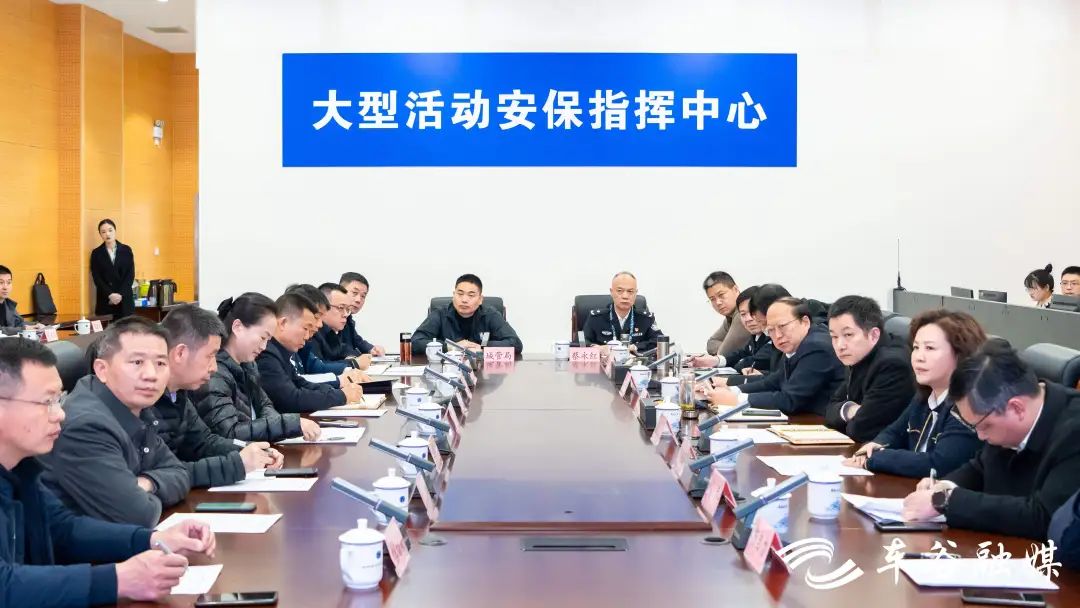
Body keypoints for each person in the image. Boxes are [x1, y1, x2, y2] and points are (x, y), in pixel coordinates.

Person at [0, 338, 218, 606]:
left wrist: (153, 539)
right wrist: (118, 580)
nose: (60, 414)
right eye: (46, 402)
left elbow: (63, 530)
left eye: (59, 399)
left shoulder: (22, 468)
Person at [902, 339, 1080, 540]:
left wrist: (947, 501)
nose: (980, 436)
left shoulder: (1074, 432)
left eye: (984, 426)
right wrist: (945, 486)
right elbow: (981, 467)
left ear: (1017, 408)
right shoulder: (1001, 417)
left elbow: (1044, 517)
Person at [39, 317, 190, 528]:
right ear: (102, 369)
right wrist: (146, 490)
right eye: (137, 362)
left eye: (161, 363)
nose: (151, 375)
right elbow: (138, 515)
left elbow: (180, 473)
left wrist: (146, 483)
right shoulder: (85, 426)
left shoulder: (136, 408)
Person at [844, 309, 986, 477]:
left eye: (930, 348)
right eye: (916, 347)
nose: (919, 357)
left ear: (960, 355)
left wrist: (875, 458)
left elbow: (939, 464)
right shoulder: (924, 397)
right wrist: (875, 445)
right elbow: (894, 433)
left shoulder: (968, 404)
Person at [157, 304, 283, 489]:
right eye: (210, 356)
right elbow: (161, 473)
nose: (214, 367)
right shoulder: (145, 400)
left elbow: (205, 442)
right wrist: (237, 464)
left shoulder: (179, 394)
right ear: (180, 353)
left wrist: (253, 450)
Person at [194, 294, 320, 443]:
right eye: (262, 338)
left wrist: (281, 426)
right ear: (238, 327)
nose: (264, 347)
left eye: (268, 340)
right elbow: (229, 433)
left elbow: (265, 405)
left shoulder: (249, 365)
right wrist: (288, 424)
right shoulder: (215, 374)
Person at [704, 297, 844, 415]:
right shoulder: (796, 343)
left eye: (783, 326)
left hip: (828, 427)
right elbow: (774, 381)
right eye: (770, 330)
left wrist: (737, 400)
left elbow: (789, 400)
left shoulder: (816, 347)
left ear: (805, 322)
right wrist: (732, 390)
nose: (777, 335)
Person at [823, 296, 916, 442]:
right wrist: (850, 410)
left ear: (874, 335)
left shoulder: (892, 365)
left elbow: (860, 430)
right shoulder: (858, 356)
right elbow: (829, 410)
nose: (840, 345)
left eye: (848, 335)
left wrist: (849, 415)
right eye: (834, 337)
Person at [256, 292, 362, 413]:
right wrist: (341, 396)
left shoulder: (280, 351)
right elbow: (291, 399)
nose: (307, 336)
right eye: (305, 328)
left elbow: (301, 383)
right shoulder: (266, 354)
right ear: (283, 323)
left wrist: (337, 392)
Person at [411, 273, 523, 355]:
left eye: (471, 295)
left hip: (483, 373)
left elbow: (516, 344)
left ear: (480, 299)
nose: (464, 300)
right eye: (460, 294)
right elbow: (414, 343)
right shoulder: (440, 314)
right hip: (447, 371)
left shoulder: (490, 314)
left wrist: (482, 347)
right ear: (453, 295)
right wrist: (451, 347)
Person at [690, 287, 776, 375]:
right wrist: (715, 360)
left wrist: (740, 362)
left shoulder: (774, 336)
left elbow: (750, 363)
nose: (748, 319)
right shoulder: (756, 335)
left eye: (753, 312)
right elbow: (741, 354)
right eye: (743, 314)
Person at [581, 272, 664, 353]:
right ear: (611, 292)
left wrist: (635, 347)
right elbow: (581, 342)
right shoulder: (596, 318)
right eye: (620, 291)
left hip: (635, 361)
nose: (625, 296)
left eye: (630, 291)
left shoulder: (645, 318)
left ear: (636, 293)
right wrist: (597, 348)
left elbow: (659, 341)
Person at [299, 283, 371, 375]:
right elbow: (317, 368)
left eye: (348, 309)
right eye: (341, 308)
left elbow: (344, 350)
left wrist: (353, 358)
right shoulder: (312, 333)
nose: (345, 314)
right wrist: (353, 363)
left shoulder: (333, 330)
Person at [89, 219, 136, 319]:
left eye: (110, 230)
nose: (107, 234)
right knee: (106, 328)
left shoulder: (126, 250)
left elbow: (130, 275)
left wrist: (120, 294)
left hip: (124, 300)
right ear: (100, 234)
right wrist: (110, 294)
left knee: (126, 327)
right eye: (103, 232)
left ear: (115, 230)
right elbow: (96, 277)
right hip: (106, 300)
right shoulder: (96, 253)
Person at [702, 271, 750, 357]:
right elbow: (711, 343)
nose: (718, 302)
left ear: (735, 289)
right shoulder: (730, 317)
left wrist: (726, 348)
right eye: (712, 299)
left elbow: (724, 353)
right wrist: (725, 347)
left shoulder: (743, 314)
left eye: (721, 295)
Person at [340, 272, 385, 356]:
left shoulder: (348, 318)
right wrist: (358, 357)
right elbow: (339, 348)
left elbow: (356, 340)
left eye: (363, 296)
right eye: (354, 293)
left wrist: (371, 349)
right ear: (340, 291)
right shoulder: (329, 318)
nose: (358, 300)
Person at [0, 264, 41, 332]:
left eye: (9, 282)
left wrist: (37, 325)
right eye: (1, 282)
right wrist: (23, 329)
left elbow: (19, 323)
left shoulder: (8, 304)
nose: (5, 287)